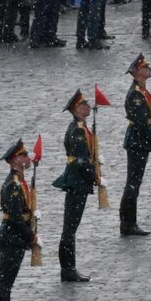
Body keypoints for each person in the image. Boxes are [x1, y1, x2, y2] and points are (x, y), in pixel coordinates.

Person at [0, 140, 36, 301]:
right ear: (16, 160)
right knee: (4, 283)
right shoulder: (13, 185)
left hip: (15, 238)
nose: (28, 158)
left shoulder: (19, 182)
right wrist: (31, 235)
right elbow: (16, 217)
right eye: (25, 155)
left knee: (6, 283)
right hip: (12, 238)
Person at [52, 90, 96, 282]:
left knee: (71, 226)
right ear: (77, 108)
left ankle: (69, 268)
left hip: (77, 180)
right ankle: (68, 268)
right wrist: (95, 176)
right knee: (70, 227)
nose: (88, 106)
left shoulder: (80, 127)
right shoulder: (78, 130)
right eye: (85, 103)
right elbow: (80, 159)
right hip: (77, 181)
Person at [120, 55, 151, 237]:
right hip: (137, 140)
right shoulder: (135, 94)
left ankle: (129, 222)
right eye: (145, 67)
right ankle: (128, 223)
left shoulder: (141, 90)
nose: (149, 68)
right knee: (133, 183)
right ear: (137, 72)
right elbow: (142, 121)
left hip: (139, 140)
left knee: (135, 182)